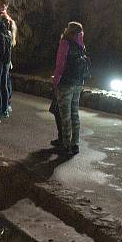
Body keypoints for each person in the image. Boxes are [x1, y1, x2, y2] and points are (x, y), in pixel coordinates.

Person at [52, 22, 89, 155]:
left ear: (69, 30)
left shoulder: (65, 43)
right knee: (75, 114)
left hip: (65, 84)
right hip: (78, 83)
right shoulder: (81, 45)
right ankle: (75, 144)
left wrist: (56, 80)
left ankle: (66, 145)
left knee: (65, 116)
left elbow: (60, 64)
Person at [0, 0, 17, 117]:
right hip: (4, 56)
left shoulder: (5, 21)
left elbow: (6, 42)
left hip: (4, 57)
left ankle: (6, 105)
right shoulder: (1, 18)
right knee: (2, 81)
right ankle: (2, 103)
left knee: (4, 81)